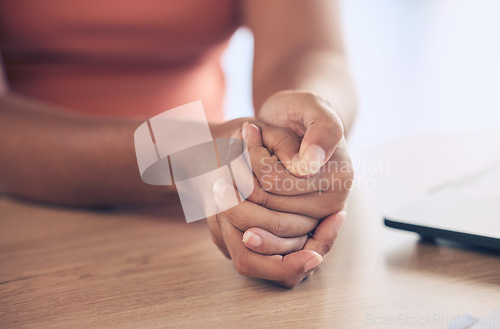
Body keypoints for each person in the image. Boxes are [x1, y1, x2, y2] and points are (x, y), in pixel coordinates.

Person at [0, 0, 356, 288]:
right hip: (27, 223)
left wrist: (301, 138)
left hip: (196, 224)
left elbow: (306, 50)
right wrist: (190, 157)